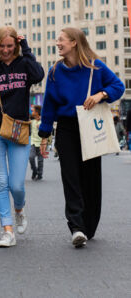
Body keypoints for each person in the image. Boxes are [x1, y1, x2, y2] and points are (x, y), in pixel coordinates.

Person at [39, 28, 125, 248]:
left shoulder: (96, 67)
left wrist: (100, 95)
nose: (57, 43)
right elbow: (49, 104)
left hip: (90, 126)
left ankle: (89, 224)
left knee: (91, 178)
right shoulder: (55, 71)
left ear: (74, 42)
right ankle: (76, 227)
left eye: (61, 40)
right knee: (71, 178)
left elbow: (118, 86)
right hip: (66, 128)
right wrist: (44, 134)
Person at [0, 26, 44, 247]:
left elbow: (39, 74)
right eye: (2, 46)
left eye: (10, 46)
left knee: (17, 185)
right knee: (1, 182)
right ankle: (7, 230)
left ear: (16, 45)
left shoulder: (24, 65)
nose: (5, 50)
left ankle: (19, 209)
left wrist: (26, 47)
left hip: (18, 130)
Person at [29, 105, 44, 180]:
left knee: (40, 160)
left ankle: (40, 174)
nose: (32, 112)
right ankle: (34, 170)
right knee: (31, 157)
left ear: (37, 112)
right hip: (33, 142)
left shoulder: (43, 120)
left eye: (33, 111)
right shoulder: (32, 120)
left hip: (41, 143)